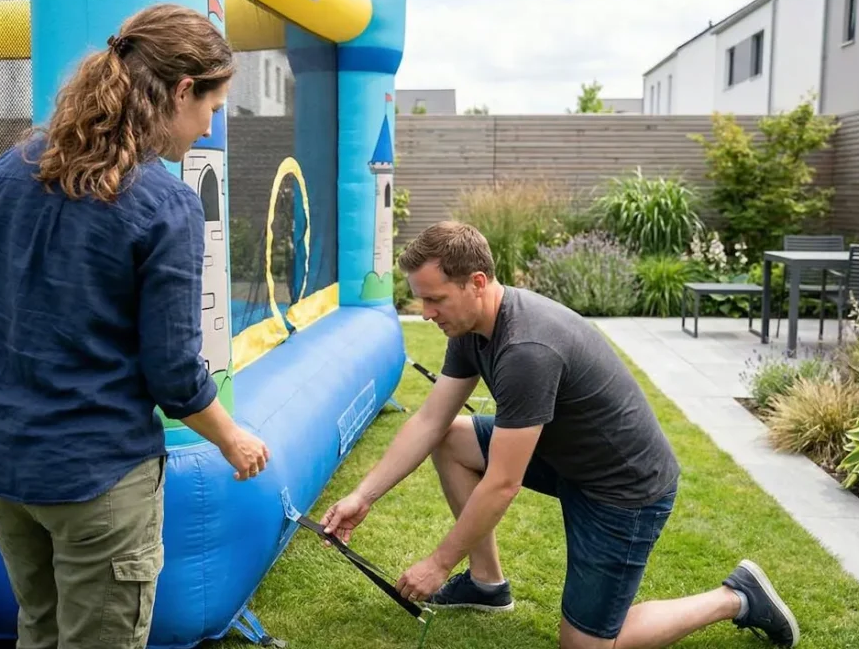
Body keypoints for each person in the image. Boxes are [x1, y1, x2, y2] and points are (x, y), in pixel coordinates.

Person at [0, 4, 271, 649]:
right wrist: (231, 439)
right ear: (182, 91)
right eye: (212, 108)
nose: (207, 126)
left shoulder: (10, 168)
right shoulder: (165, 203)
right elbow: (173, 372)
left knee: (41, 628)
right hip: (94, 482)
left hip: (1, 471)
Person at [319, 221, 800, 649]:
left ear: (477, 283)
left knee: (586, 646)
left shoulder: (527, 348)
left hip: (622, 489)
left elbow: (503, 483)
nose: (425, 312)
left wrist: (439, 563)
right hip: (563, 456)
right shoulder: (469, 327)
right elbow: (430, 421)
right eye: (421, 298)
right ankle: (487, 585)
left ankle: (735, 597)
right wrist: (364, 495)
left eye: (434, 298)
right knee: (452, 438)